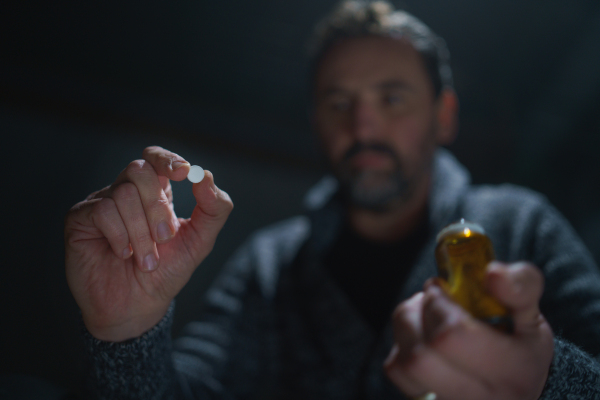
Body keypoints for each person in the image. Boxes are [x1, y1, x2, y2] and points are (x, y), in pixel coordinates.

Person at [64, 1, 600, 399]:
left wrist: (547, 378)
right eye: (338, 102)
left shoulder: (522, 224)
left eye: (392, 98)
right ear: (316, 121)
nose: (362, 124)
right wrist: (125, 333)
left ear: (444, 116)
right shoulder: (269, 265)